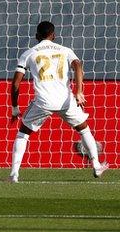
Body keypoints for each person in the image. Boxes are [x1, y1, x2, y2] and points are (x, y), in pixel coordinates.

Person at [9, 21, 108, 182]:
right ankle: (96, 164)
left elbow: (15, 83)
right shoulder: (65, 50)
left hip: (43, 101)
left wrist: (15, 107)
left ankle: (14, 174)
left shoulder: (29, 53)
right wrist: (79, 91)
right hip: (65, 100)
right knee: (84, 129)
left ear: (36, 36)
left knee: (23, 134)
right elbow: (78, 66)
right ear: (54, 35)